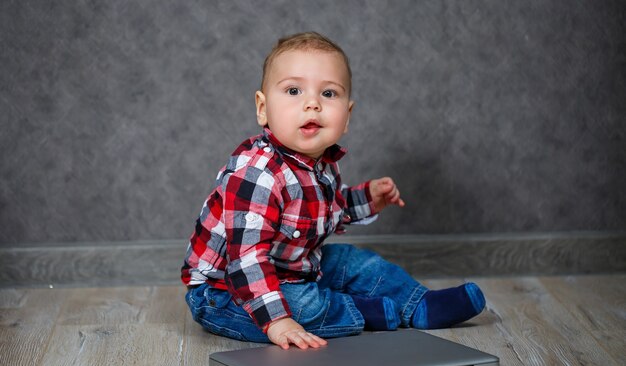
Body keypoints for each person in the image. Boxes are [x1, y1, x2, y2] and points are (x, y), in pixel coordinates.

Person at [182, 32, 485, 350]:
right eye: (294, 90)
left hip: (293, 267)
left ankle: (419, 304)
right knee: (302, 307)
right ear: (263, 108)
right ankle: (360, 313)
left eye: (328, 93)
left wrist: (369, 198)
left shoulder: (320, 165)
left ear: (347, 116)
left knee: (357, 263)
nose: (312, 103)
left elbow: (328, 211)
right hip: (225, 291)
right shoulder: (257, 174)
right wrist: (277, 321)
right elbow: (246, 260)